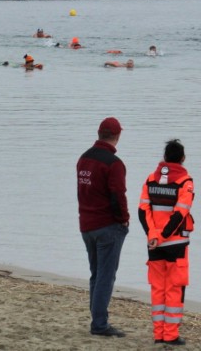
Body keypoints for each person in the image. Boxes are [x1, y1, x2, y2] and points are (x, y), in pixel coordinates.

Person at [77, 117, 129, 338]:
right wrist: (124, 219)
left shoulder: (83, 159)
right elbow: (118, 195)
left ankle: (97, 319)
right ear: (117, 136)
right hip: (107, 225)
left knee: (96, 274)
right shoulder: (113, 163)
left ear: (99, 133)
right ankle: (99, 324)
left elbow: (83, 191)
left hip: (87, 224)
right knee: (106, 276)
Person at [138, 139, 194, 346]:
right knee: (174, 289)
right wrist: (162, 236)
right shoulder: (185, 182)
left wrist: (153, 235)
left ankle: (158, 334)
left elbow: (142, 211)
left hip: (154, 244)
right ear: (182, 159)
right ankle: (170, 335)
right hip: (176, 244)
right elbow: (180, 214)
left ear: (165, 158)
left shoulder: (150, 180)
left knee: (157, 289)